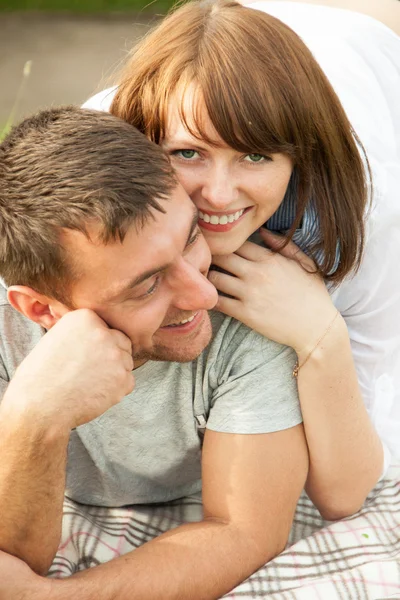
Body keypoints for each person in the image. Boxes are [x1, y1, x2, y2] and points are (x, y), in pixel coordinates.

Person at [83, 0, 400, 519]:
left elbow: (345, 494)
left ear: (297, 157)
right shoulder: (103, 149)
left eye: (255, 156)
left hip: (366, 40)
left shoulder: (363, 213)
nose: (219, 195)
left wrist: (320, 335)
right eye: (187, 153)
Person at [0, 106, 307, 598]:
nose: (202, 296)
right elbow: (17, 558)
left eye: (191, 241)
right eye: (146, 287)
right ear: (41, 308)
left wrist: (56, 597)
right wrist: (34, 415)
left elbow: (245, 530)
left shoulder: (252, 312)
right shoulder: (5, 331)